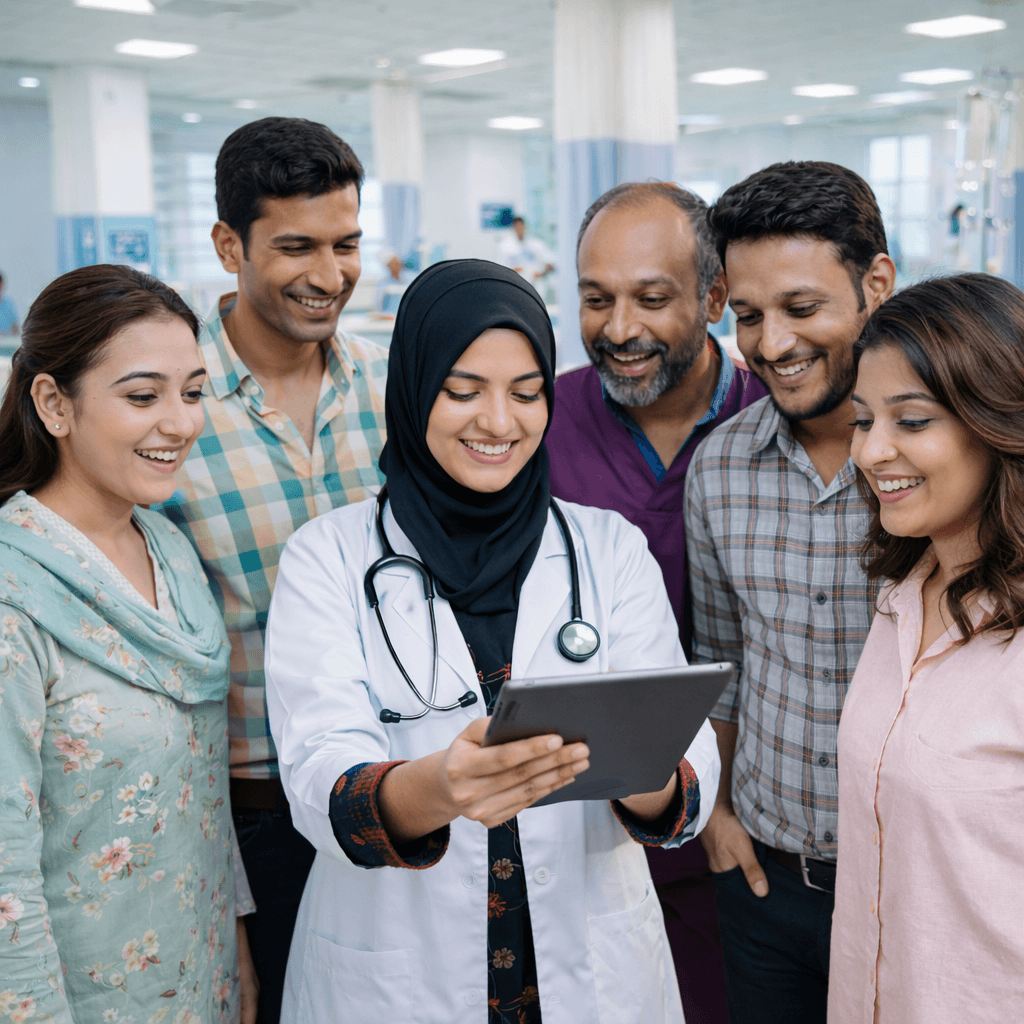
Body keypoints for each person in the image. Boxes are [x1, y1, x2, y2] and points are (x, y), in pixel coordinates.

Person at [263, 260, 720, 1022]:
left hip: (588, 966)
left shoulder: (607, 548)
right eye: (462, 390)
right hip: (400, 974)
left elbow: (685, 757)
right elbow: (318, 775)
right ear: (412, 393)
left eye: (526, 392)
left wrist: (643, 772)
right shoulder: (329, 557)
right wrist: (444, 786)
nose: (499, 422)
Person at [156, 116, 388, 1024]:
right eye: (296, 247)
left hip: (386, 789)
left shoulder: (391, 388)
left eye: (346, 244)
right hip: (243, 812)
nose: (329, 275)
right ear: (229, 245)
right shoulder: (167, 404)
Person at [0, 264, 256, 1024]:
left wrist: (235, 944)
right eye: (143, 396)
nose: (178, 423)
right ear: (54, 403)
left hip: (197, 976)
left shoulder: (173, 553)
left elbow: (204, 792)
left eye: (193, 391)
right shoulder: (14, 598)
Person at [545, 180, 767, 1024]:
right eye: (596, 300)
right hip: (575, 827)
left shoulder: (771, 421)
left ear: (714, 298)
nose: (620, 328)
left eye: (652, 298)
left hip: (743, 832)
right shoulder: (538, 422)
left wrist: (714, 802)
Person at [686, 161, 896, 1024]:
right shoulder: (721, 464)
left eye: (803, 309)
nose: (772, 344)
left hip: (912, 888)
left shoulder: (955, 464)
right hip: (764, 882)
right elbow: (721, 663)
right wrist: (719, 819)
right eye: (747, 316)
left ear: (875, 285)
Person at [830, 273, 1024, 1024]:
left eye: (912, 421)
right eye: (862, 420)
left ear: (996, 421)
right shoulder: (900, 599)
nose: (874, 451)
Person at [498, 216, 555, 283]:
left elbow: (550, 262)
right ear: (513, 228)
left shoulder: (536, 244)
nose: (519, 229)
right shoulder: (504, 246)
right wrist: (512, 271)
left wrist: (541, 274)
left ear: (525, 227)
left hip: (536, 284)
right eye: (517, 226)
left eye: (521, 226)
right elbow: (499, 268)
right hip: (514, 283)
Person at [373, 247, 416, 314]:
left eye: (398, 262)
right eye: (394, 263)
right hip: (389, 317)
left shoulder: (412, 277)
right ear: (388, 266)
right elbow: (378, 305)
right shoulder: (382, 283)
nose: (398, 264)